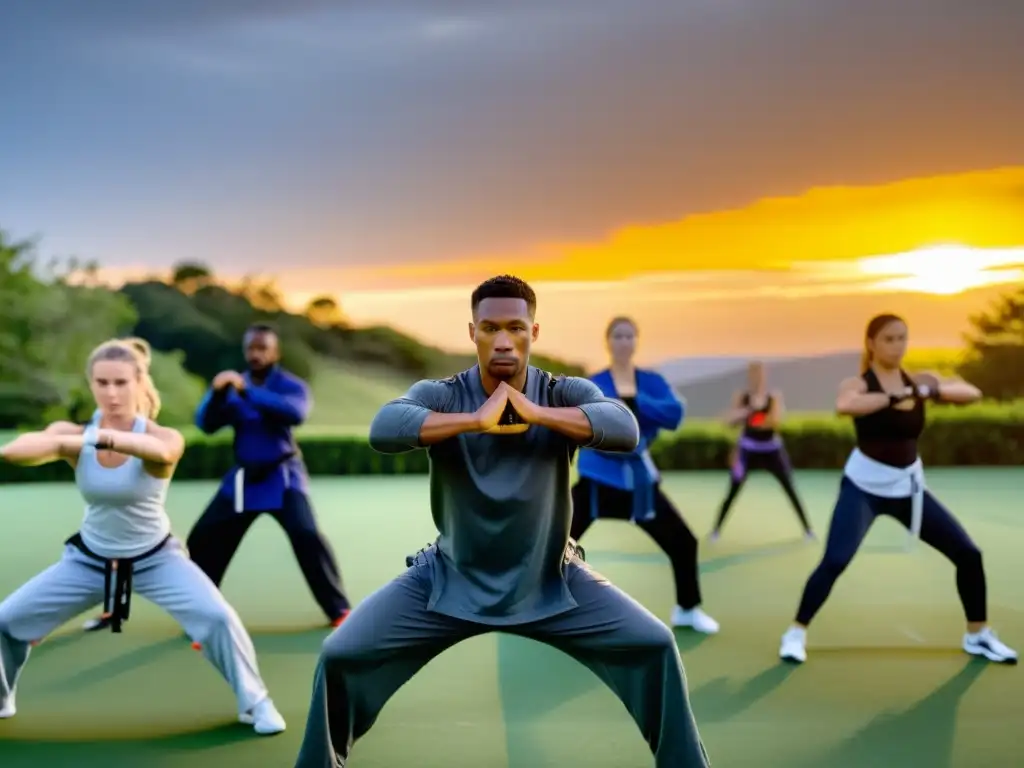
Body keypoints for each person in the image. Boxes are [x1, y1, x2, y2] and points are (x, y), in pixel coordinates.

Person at [293, 276, 711, 768]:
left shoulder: (559, 392)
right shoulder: (444, 394)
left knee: (656, 645)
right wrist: (474, 421)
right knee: (341, 654)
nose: (504, 340)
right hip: (448, 581)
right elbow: (385, 428)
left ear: (534, 330)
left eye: (516, 327)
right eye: (490, 328)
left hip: (553, 583)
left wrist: (536, 413)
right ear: (473, 332)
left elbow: (624, 428)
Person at [0, 338, 286, 732]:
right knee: (5, 621)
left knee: (216, 617)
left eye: (120, 382)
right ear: (91, 384)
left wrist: (93, 439)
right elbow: (16, 451)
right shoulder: (74, 433)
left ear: (139, 382)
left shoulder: (162, 436)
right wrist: (75, 439)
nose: (111, 392)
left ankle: (255, 703)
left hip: (157, 558)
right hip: (89, 559)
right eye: (102, 382)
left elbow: (161, 454)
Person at [778, 313, 1017, 665]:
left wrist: (929, 390)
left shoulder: (920, 380)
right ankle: (795, 632)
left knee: (969, 554)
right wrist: (895, 396)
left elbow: (972, 392)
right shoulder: (858, 383)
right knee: (835, 560)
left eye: (902, 338)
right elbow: (846, 406)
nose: (897, 345)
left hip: (908, 489)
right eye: (889, 339)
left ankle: (978, 635)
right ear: (871, 344)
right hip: (864, 489)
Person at [83, 324, 351, 634]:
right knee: (204, 537)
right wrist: (217, 395)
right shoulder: (231, 387)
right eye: (251, 348)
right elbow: (205, 424)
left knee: (306, 534)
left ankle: (339, 609)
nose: (256, 354)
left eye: (263, 348)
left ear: (275, 353)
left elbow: (295, 414)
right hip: (243, 479)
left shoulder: (289, 386)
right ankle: (201, 609)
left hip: (282, 476)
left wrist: (246, 391)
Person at [571, 316, 719, 634]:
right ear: (607, 342)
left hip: (639, 482)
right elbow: (583, 420)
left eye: (629, 336)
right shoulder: (593, 382)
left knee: (683, 541)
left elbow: (674, 413)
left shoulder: (650, 382)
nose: (624, 341)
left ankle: (688, 609)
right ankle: (530, 605)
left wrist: (635, 402)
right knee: (554, 539)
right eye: (617, 336)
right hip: (598, 479)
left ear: (636, 341)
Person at [710, 361, 814, 540]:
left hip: (772, 450)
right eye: (753, 373)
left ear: (765, 375)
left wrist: (750, 417)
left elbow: (774, 421)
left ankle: (808, 530)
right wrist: (742, 415)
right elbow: (728, 421)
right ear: (749, 376)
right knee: (733, 490)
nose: (757, 377)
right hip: (747, 450)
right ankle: (716, 531)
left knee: (789, 487)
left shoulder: (773, 397)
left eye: (760, 373)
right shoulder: (742, 397)